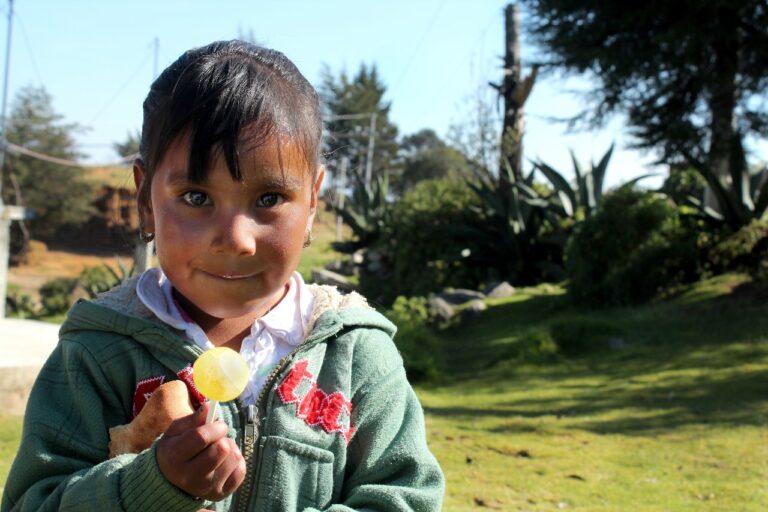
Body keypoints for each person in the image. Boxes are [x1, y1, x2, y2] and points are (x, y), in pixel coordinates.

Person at [1, 40, 444, 512]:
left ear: (313, 200)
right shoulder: (94, 355)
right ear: (145, 197)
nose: (236, 239)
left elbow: (405, 498)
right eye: (196, 196)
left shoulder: (357, 356)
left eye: (269, 198)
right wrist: (150, 484)